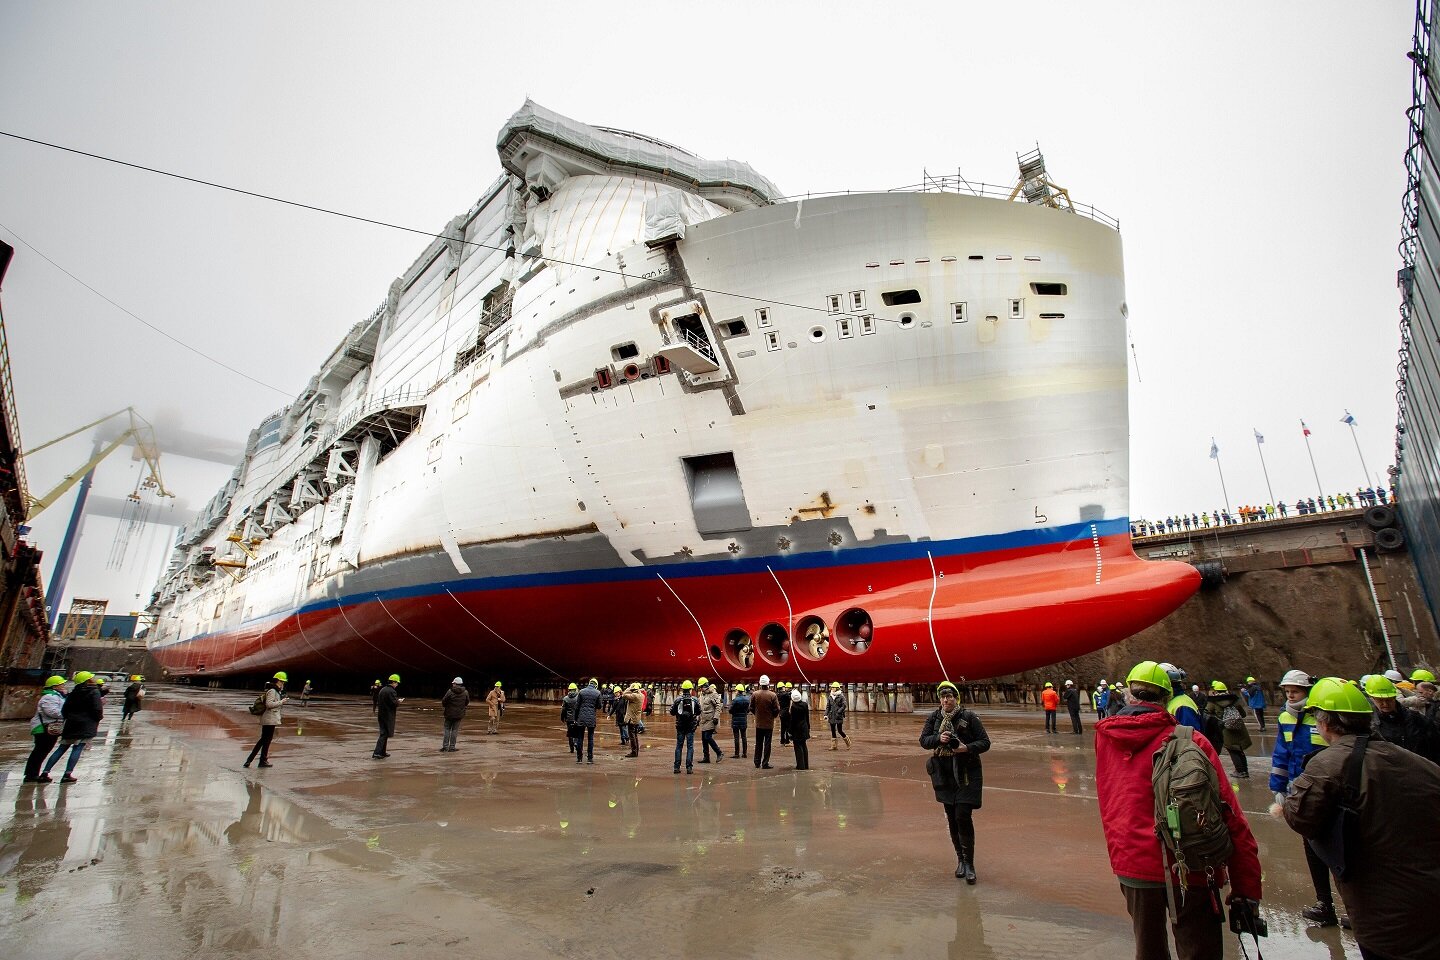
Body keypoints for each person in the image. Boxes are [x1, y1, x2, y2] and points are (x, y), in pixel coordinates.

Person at [1096, 661, 1262, 960]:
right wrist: (1246, 886)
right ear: (1167, 698)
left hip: (1133, 863)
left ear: (1128, 694)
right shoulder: (1192, 740)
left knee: (1148, 951)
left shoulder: (1105, 738)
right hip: (1192, 863)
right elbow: (1230, 815)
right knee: (1200, 950)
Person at [1283, 678, 1440, 960]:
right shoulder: (1416, 761)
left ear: (1324, 723)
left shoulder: (1328, 763)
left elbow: (1301, 819)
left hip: (1383, 910)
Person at [1266, 669, 1340, 927]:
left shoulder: (1322, 716)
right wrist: (1278, 787)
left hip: (1327, 788)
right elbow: (1281, 753)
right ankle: (1324, 903)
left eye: (1295, 691)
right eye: (1287, 691)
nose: (1290, 695)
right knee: (1311, 847)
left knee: (1338, 849)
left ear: (1307, 691)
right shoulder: (1285, 716)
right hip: (1301, 790)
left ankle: (1352, 905)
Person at [919, 680, 990, 883]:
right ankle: (960, 859)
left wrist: (966, 748)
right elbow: (924, 740)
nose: (946, 700)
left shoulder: (969, 717)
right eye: (942, 697)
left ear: (956, 698)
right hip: (944, 774)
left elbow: (985, 742)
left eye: (949, 696)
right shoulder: (934, 718)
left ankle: (969, 863)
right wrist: (938, 739)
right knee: (951, 817)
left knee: (962, 816)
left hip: (966, 772)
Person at [42, 671, 105, 784]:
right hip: (86, 724)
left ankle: (45, 772)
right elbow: (97, 709)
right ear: (88, 680)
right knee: (78, 748)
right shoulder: (94, 692)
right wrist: (97, 719)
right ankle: (67, 774)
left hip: (71, 724)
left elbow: (64, 710)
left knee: (62, 748)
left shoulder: (73, 692)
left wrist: (70, 718)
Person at [1364, 674, 1439, 764]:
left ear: (1394, 697)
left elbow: (1435, 742)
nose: (1385, 704)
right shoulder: (1371, 726)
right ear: (1372, 699)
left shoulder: (1415, 718)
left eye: (1389, 699)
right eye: (1380, 700)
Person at [1203, 681, 1252, 779]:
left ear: (1215, 691)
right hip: (1239, 727)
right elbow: (1243, 714)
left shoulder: (1213, 702)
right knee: (1239, 749)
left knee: (1232, 749)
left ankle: (1239, 771)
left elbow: (1206, 715)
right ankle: (1245, 770)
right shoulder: (1234, 700)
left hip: (1226, 728)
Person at [24, 675, 68, 783]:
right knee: (39, 751)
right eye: (61, 684)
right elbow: (52, 712)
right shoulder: (49, 697)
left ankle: (33, 773)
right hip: (43, 728)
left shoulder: (57, 696)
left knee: (42, 751)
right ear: (54, 686)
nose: (63, 685)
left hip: (49, 727)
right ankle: (31, 775)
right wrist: (67, 714)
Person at [245, 671, 288, 768]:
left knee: (264, 740)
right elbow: (269, 704)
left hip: (270, 718)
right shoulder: (272, 691)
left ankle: (257, 760)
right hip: (269, 719)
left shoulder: (275, 690)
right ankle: (256, 760)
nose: (283, 683)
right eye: (282, 681)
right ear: (277, 681)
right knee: (265, 740)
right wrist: (281, 702)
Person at [670, 679, 700, 774]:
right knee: (690, 746)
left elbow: (672, 712)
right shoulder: (695, 699)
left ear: (682, 689)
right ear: (690, 689)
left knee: (679, 746)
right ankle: (689, 768)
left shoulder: (678, 700)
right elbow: (699, 711)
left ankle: (676, 767)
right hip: (690, 726)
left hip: (680, 726)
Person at [750, 675, 780, 769]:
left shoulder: (755, 694)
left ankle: (757, 762)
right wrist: (773, 716)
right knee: (767, 744)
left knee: (758, 743)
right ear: (768, 684)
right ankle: (765, 763)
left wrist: (757, 714)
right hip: (769, 724)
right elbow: (776, 709)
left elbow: (751, 707)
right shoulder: (772, 695)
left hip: (759, 723)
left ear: (760, 684)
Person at [696, 678, 724, 764]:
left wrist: (716, 717)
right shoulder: (702, 695)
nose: (700, 689)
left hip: (711, 720)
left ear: (706, 686)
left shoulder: (713, 694)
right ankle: (706, 757)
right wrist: (697, 719)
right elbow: (700, 708)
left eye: (701, 687)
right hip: (703, 720)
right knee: (704, 739)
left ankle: (719, 752)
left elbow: (718, 706)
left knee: (707, 737)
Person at [373, 674, 400, 759]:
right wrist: (398, 702)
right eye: (397, 683)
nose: (397, 685)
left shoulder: (383, 689)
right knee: (384, 734)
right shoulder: (392, 691)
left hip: (381, 715)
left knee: (384, 734)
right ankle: (377, 753)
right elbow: (394, 703)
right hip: (387, 716)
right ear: (393, 682)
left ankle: (382, 752)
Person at [574, 678, 601, 764]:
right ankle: (590, 759)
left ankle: (579, 758)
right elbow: (599, 706)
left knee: (580, 738)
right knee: (590, 738)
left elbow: (577, 706)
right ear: (596, 685)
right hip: (591, 718)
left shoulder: (581, 692)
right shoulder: (598, 693)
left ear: (589, 683)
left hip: (581, 718)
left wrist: (575, 718)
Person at [440, 677, 469, 752]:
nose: (453, 684)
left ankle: (445, 747)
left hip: (449, 714)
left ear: (455, 684)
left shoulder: (450, 691)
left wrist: (446, 706)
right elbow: (467, 702)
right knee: (455, 730)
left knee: (447, 729)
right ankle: (452, 747)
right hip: (459, 714)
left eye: (453, 683)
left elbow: (444, 701)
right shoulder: (465, 692)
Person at [790, 686, 812, 770]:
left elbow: (792, 720)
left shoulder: (793, 707)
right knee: (804, 745)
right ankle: (806, 765)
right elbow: (807, 717)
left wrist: (790, 731)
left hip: (796, 729)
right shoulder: (805, 705)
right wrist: (808, 727)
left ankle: (800, 765)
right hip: (804, 727)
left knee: (798, 747)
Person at [623, 682, 645, 758]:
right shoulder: (641, 695)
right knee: (635, 735)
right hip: (636, 719)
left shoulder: (634, 696)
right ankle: (636, 751)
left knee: (632, 736)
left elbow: (624, 695)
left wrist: (629, 688)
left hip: (631, 719)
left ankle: (634, 752)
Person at [826, 682, 850, 750]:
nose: (832, 688)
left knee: (840, 730)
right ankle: (834, 746)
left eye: (833, 687)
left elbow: (844, 705)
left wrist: (839, 711)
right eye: (832, 687)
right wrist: (825, 714)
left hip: (838, 716)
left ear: (837, 688)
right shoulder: (830, 696)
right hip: (831, 716)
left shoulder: (841, 696)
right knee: (833, 731)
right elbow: (828, 706)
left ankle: (848, 743)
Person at [729, 684, 751, 758]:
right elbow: (748, 710)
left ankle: (736, 754)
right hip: (743, 721)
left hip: (735, 721)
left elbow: (730, 710)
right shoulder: (747, 700)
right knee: (744, 737)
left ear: (738, 691)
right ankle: (744, 753)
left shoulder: (735, 700)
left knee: (736, 738)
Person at [561, 682, 581, 756]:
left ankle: (571, 748)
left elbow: (563, 710)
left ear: (569, 690)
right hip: (577, 718)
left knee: (570, 733)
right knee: (577, 732)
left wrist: (562, 717)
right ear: (576, 689)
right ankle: (576, 742)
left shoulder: (565, 698)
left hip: (569, 719)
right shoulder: (578, 698)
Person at [778, 681, 793, 746]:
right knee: (788, 727)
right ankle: (787, 741)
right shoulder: (786, 694)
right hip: (786, 712)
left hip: (781, 712)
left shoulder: (777, 694)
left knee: (782, 727)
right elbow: (791, 698)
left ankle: (782, 741)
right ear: (782, 687)